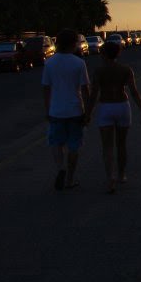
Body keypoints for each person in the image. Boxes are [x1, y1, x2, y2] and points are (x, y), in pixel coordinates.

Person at [85, 41, 141, 193]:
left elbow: (93, 94)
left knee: (107, 147)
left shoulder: (99, 71)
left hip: (105, 106)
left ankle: (110, 178)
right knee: (121, 144)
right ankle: (122, 174)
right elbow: (134, 91)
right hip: (122, 106)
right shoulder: (126, 70)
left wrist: (88, 113)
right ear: (118, 53)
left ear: (103, 54)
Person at [42, 29, 90, 190]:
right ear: (73, 44)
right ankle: (70, 178)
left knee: (56, 143)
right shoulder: (79, 63)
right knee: (74, 145)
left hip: (56, 110)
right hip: (75, 109)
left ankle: (60, 168)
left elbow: (46, 89)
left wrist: (47, 109)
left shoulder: (49, 63)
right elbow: (85, 89)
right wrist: (88, 110)